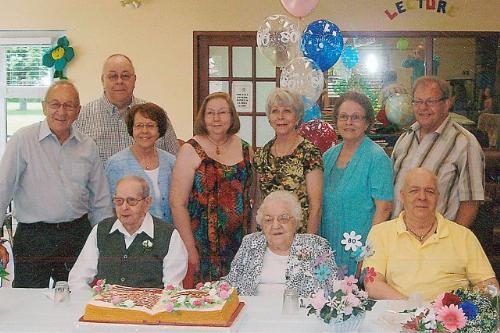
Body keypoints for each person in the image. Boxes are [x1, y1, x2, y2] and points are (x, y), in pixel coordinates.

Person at [0, 81, 113, 288]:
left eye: (69, 105)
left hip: (76, 235)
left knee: (77, 297)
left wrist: (104, 242)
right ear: (44, 107)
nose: (61, 111)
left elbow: (101, 200)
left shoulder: (87, 146)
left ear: (78, 111)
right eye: (55, 104)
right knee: (29, 302)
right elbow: (2, 189)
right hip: (34, 237)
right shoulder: (23, 140)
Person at [362, 168, 498, 300]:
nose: (422, 197)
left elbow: (490, 285)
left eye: (429, 191)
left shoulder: (464, 236)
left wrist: (460, 308)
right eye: (414, 191)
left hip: (449, 319)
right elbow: (373, 284)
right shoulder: (380, 233)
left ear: (438, 197)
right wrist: (413, 309)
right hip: (396, 317)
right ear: (402, 196)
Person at [170, 92, 253, 284]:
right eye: (210, 113)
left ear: (232, 116)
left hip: (241, 243)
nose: (216, 118)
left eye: (222, 112)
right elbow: (177, 203)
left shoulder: (246, 149)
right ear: (203, 117)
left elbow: (254, 197)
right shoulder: (190, 150)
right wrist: (190, 248)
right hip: (203, 246)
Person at [391, 76, 485, 227]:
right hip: (398, 238)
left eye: (430, 101)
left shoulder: (464, 143)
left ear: (446, 104)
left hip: (437, 242)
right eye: (418, 102)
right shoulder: (405, 138)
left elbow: (471, 202)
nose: (423, 107)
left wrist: (453, 242)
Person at [69, 176, 187, 291]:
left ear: (147, 202)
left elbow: (172, 290)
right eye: (119, 201)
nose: (124, 207)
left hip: (148, 309)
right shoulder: (101, 230)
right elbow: (78, 279)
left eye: (131, 201)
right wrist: (91, 304)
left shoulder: (168, 235)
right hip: (106, 308)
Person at [321, 92, 393, 277]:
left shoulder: (377, 158)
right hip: (328, 245)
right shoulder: (328, 156)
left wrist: (367, 253)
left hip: (359, 251)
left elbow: (384, 209)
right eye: (343, 117)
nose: (348, 122)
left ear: (367, 122)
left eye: (356, 117)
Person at [224, 191, 337, 297]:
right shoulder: (250, 243)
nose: (275, 225)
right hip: (253, 312)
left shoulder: (316, 246)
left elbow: (332, 288)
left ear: (296, 221)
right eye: (268, 220)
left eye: (283, 218)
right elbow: (231, 282)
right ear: (261, 224)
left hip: (298, 314)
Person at [74, 54, 178, 163]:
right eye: (113, 76)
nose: (119, 81)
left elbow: (176, 162)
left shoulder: (157, 115)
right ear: (102, 80)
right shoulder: (81, 119)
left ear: (134, 79)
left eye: (125, 76)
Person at [253, 88, 323, 234]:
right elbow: (258, 203)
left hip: (299, 237)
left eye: (287, 111)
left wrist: (307, 245)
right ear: (269, 117)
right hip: (269, 236)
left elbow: (315, 206)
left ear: (297, 117)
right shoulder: (261, 154)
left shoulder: (309, 153)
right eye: (275, 111)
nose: (280, 117)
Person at [105, 103, 175, 223]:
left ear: (160, 130)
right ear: (132, 129)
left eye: (150, 125)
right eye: (139, 126)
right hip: (130, 236)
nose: (144, 131)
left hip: (167, 236)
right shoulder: (115, 164)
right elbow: (109, 208)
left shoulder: (172, 162)